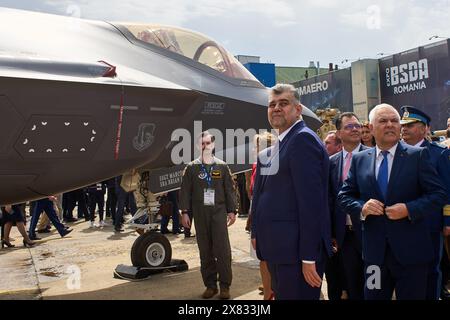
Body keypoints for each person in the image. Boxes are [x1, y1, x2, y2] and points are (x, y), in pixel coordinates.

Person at [338, 103, 447, 300]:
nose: (390, 125)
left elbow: (439, 194)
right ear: (370, 128)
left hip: (411, 256)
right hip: (374, 257)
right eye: (383, 121)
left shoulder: (418, 156)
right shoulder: (360, 159)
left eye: (394, 121)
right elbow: (344, 196)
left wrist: (409, 209)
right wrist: (362, 207)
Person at [251, 84, 332, 300]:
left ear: (298, 109)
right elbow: (264, 195)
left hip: (296, 255)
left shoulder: (302, 140)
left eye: (283, 103)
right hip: (280, 250)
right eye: (272, 104)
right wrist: (257, 232)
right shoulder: (281, 143)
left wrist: (308, 257)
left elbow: (310, 204)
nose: (276, 108)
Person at [179, 131, 237, 300]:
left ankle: (225, 286)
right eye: (202, 143)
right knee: (205, 251)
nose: (205, 146)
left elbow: (230, 190)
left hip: (218, 212)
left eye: (208, 143)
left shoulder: (222, 166)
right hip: (200, 212)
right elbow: (185, 193)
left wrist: (232, 210)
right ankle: (210, 286)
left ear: (213, 145)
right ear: (198, 146)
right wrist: (185, 212)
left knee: (223, 250)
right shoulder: (191, 168)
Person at [400, 105, 450, 300]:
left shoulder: (438, 153)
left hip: (429, 223)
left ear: (425, 128)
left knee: (431, 270)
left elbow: (446, 189)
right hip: (402, 222)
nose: (404, 129)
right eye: (403, 125)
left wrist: (447, 222)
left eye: (410, 125)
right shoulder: (398, 152)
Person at [328, 112, 368, 300]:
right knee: (348, 284)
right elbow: (328, 200)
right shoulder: (331, 163)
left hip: (369, 232)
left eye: (357, 126)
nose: (354, 129)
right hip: (343, 235)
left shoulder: (374, 157)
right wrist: (330, 233)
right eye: (348, 126)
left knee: (371, 284)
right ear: (339, 133)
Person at [248, 131, 276, 300]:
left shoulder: (273, 165)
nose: (254, 149)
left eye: (257, 146)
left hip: (270, 218)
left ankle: (270, 291)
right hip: (258, 215)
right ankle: (268, 290)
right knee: (262, 258)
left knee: (269, 258)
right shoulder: (255, 165)